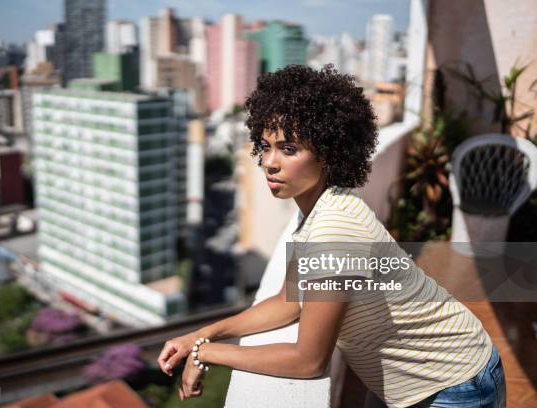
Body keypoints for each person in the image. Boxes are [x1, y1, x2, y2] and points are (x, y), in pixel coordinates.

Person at [157, 65, 506, 407]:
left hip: (456, 385)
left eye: (289, 149)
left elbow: (308, 361)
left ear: (329, 153)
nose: (269, 162)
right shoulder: (318, 208)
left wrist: (206, 354)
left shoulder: (335, 228)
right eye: (265, 146)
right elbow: (289, 302)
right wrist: (201, 335)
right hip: (411, 383)